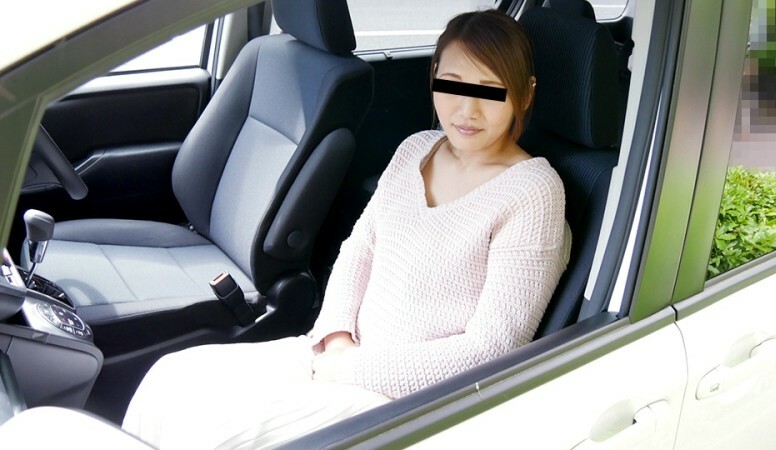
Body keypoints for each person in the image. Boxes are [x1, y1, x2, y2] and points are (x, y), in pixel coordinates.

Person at [121, 10, 571, 449]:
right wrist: (335, 337)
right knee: (169, 380)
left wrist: (350, 368)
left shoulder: (533, 192)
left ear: (525, 94)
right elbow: (359, 250)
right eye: (453, 83)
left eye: (489, 90)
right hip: (338, 356)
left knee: (214, 435)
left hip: (412, 400)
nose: (466, 109)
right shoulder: (416, 148)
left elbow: (492, 350)